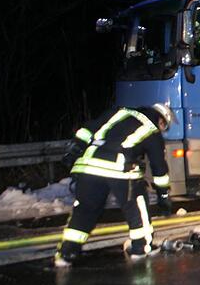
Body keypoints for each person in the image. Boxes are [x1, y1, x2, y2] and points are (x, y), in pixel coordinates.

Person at [54, 104, 176, 267]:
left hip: (88, 168)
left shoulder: (118, 112)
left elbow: (87, 130)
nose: (162, 130)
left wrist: (74, 149)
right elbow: (158, 167)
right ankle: (141, 248)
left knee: (84, 211)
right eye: (164, 127)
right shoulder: (151, 131)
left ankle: (66, 253)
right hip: (119, 170)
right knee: (136, 208)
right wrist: (163, 195)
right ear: (161, 120)